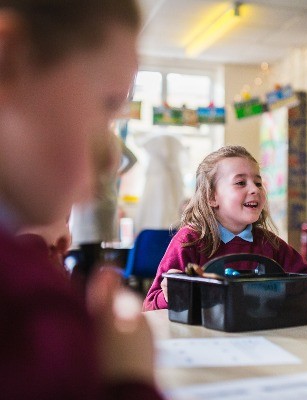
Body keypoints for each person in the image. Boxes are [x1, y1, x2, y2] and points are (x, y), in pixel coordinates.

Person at [0, 0, 164, 398]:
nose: (109, 157)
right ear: (9, 57)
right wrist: (129, 379)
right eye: (108, 103)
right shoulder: (29, 311)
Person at [143, 145, 307, 310]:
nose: (254, 189)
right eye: (240, 183)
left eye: (258, 183)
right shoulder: (189, 241)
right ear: (212, 197)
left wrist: (277, 289)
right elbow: (150, 305)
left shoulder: (269, 243)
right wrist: (171, 295)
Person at [70, 131, 137, 282]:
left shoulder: (88, 137)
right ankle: (98, 288)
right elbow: (132, 159)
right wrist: (117, 174)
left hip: (89, 199)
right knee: (99, 250)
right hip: (108, 199)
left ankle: (89, 292)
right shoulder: (113, 138)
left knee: (88, 251)